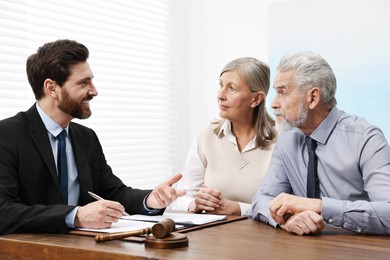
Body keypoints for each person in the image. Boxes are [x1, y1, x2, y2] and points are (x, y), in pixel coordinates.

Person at [0, 39, 186, 235]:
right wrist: (75, 215)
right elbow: (3, 210)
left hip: (86, 247)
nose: (94, 91)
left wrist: (149, 200)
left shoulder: (86, 137)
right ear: (52, 87)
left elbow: (113, 191)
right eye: (83, 83)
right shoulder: (7, 135)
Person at [251, 51, 390, 235]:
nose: (274, 104)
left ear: (313, 97)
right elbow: (262, 199)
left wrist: (320, 207)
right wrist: (287, 220)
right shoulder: (286, 139)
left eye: (282, 92)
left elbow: (388, 212)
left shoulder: (366, 138)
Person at [170, 57, 277, 216]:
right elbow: (181, 198)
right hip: (212, 237)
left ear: (256, 99)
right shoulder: (206, 135)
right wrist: (195, 203)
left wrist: (239, 209)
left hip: (263, 238)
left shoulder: (281, 141)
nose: (221, 95)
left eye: (232, 88)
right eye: (221, 85)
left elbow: (288, 205)